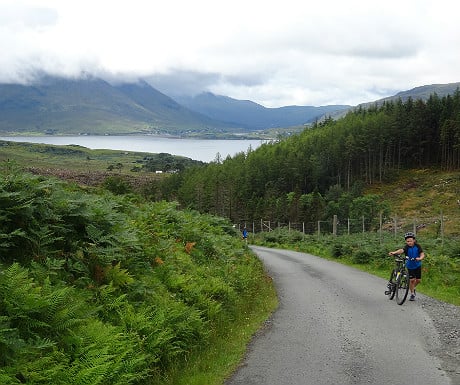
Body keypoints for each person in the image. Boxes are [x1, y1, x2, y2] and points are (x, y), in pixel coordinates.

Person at [388, 231, 425, 301]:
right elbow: (401, 250)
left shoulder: (418, 246)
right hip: (410, 266)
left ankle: (412, 288)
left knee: (418, 280)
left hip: (417, 265)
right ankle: (412, 294)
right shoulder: (407, 247)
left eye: (410, 241)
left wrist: (420, 258)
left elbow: (422, 254)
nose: (409, 242)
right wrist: (394, 252)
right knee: (412, 280)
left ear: (414, 240)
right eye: (407, 241)